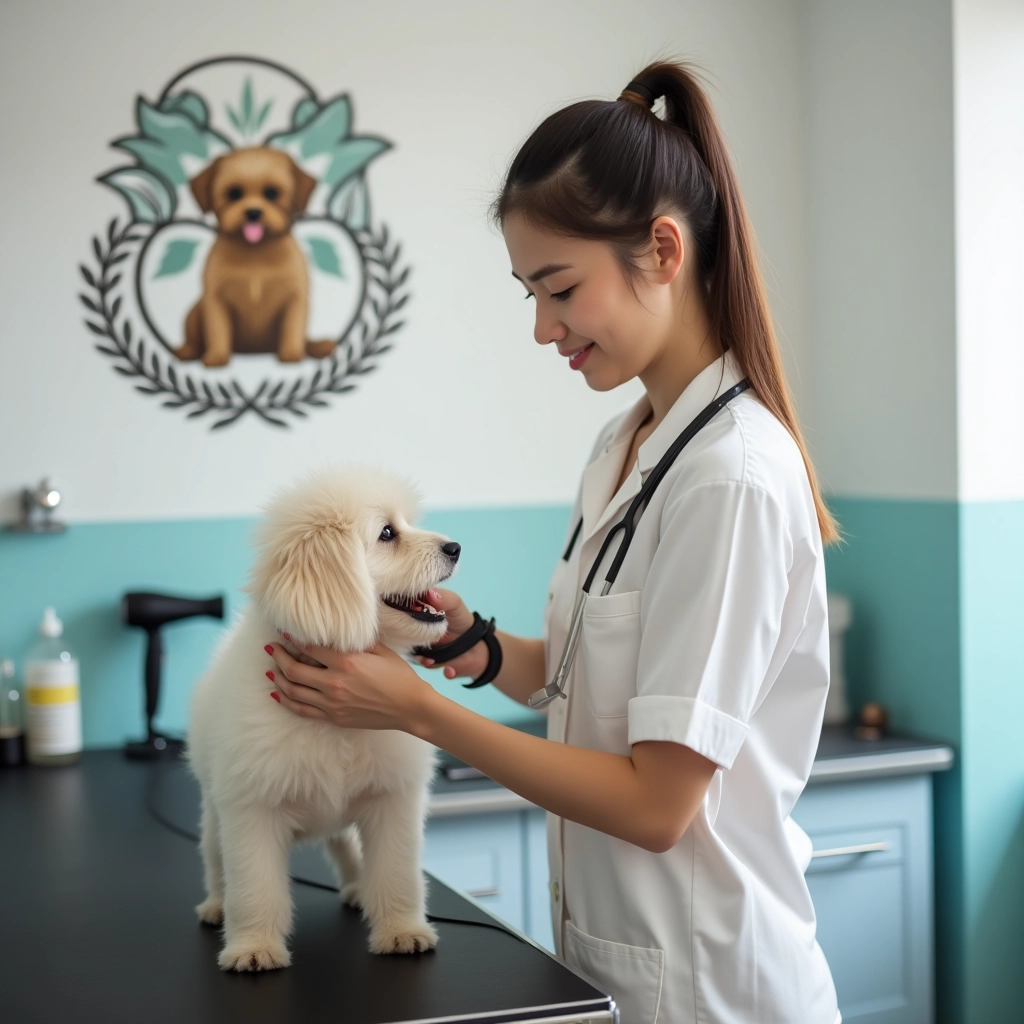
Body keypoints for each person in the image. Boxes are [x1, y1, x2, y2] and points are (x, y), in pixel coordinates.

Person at [267, 60, 841, 1024]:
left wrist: (420, 711)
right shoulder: (627, 442)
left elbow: (657, 805)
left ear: (662, 249)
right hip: (619, 969)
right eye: (528, 294)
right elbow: (589, 679)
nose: (543, 329)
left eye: (559, 288)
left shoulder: (730, 478)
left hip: (714, 989)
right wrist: (476, 649)